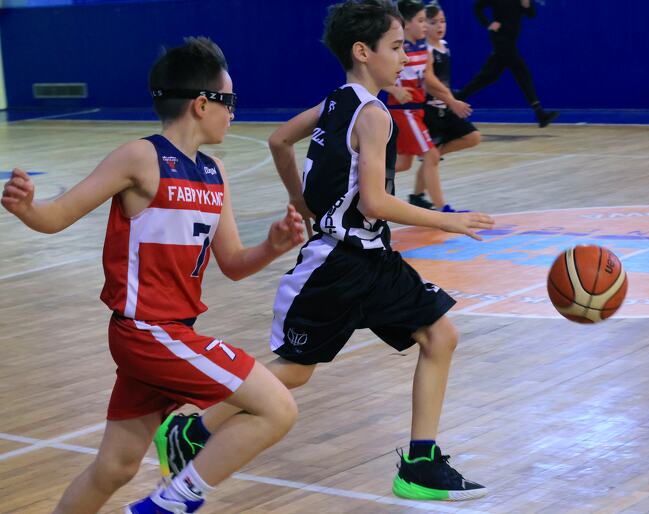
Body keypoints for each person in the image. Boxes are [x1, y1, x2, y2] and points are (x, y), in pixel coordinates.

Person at [154, 1, 495, 502]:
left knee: (439, 334)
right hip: (338, 265)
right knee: (295, 370)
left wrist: (301, 199)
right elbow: (375, 202)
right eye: (396, 47)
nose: (404, 57)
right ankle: (192, 431)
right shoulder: (374, 114)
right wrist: (447, 220)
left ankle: (421, 464)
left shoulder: (337, 101)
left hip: (373, 257)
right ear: (363, 51)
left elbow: (279, 140)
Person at [1, 37, 304, 514]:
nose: (234, 113)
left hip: (166, 334)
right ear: (201, 104)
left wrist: (273, 246)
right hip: (148, 332)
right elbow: (57, 215)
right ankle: (169, 504)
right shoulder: (140, 158)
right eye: (230, 101)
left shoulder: (215, 173)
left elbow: (232, 263)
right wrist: (27, 208)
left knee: (116, 467)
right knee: (277, 407)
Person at [386, 0, 473, 212]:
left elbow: (428, 81)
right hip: (404, 111)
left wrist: (451, 101)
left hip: (417, 110)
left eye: (426, 20)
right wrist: (394, 89)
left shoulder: (423, 47)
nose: (425, 25)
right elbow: (373, 73)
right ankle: (444, 210)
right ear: (406, 24)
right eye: (421, 20)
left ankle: (358, 175)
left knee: (403, 164)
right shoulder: (396, 48)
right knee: (431, 155)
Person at [455, 0, 559, 128]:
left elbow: (531, 14)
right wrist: (488, 23)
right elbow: (478, 7)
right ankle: (539, 112)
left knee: (489, 76)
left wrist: (527, 5)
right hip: (501, 40)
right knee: (522, 73)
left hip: (511, 41)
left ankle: (458, 97)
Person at [423, 1, 482, 175]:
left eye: (442, 21)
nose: (439, 26)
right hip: (430, 111)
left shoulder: (445, 46)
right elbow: (428, 82)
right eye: (433, 22)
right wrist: (451, 100)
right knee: (422, 161)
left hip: (446, 107)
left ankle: (438, 152)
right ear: (423, 25)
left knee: (473, 137)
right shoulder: (426, 51)